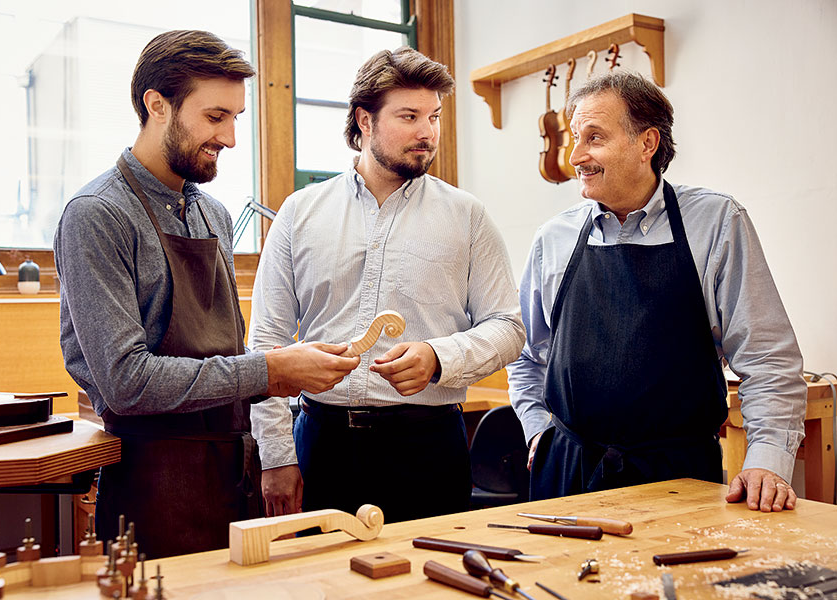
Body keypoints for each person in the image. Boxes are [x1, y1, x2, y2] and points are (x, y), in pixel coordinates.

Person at [54, 30, 360, 559]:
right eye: (216, 117)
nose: (232, 138)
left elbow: (225, 356)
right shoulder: (96, 216)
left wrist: (283, 387)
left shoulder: (211, 214)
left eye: (237, 118)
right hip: (152, 489)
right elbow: (127, 382)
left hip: (232, 477)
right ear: (157, 105)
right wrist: (271, 371)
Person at [508, 71, 807, 513]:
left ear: (646, 143)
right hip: (568, 473)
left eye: (594, 138)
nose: (576, 156)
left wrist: (767, 461)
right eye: (575, 137)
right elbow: (526, 353)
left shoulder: (717, 222)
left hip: (680, 478)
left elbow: (768, 359)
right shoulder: (553, 237)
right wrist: (538, 428)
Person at [249, 47, 525, 523]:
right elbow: (266, 342)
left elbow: (508, 327)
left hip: (430, 447)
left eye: (434, 117)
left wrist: (441, 358)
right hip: (321, 443)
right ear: (365, 121)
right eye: (409, 116)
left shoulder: (468, 216)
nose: (427, 132)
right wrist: (276, 455)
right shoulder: (299, 212)